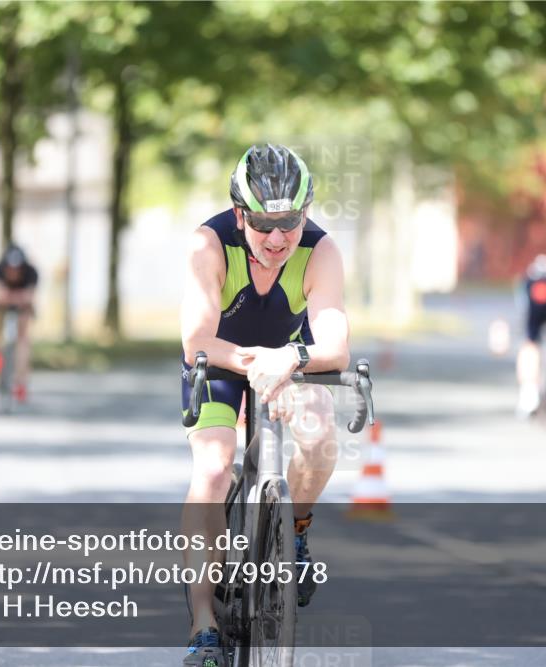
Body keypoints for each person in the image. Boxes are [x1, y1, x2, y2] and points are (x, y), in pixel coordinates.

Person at [179, 144, 350, 667]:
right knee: (212, 470)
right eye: (262, 223)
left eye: (290, 222)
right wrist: (257, 362)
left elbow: (335, 345)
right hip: (222, 360)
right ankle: (203, 623)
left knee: (321, 438)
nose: (277, 237)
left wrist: (289, 359)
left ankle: (293, 530)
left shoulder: (321, 251)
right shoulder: (208, 245)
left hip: (288, 361)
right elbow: (196, 343)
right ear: (240, 214)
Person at [0, 244, 38, 402]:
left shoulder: (31, 273)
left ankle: (21, 381)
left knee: (23, 336)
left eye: (17, 269)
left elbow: (29, 298)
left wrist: (12, 297)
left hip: (22, 305)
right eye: (10, 269)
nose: (13, 273)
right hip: (7, 301)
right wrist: (8, 298)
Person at [516, 254, 546, 417]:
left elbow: (523, 309)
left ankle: (529, 394)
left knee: (530, 347)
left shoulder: (528, 283)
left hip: (536, 315)